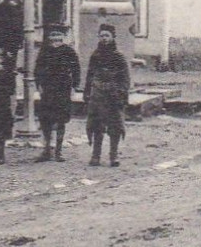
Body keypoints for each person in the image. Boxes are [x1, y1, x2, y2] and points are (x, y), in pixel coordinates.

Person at [33, 24, 81, 162]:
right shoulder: (44, 51)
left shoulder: (69, 51)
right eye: (53, 36)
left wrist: (74, 86)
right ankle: (47, 149)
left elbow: (76, 69)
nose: (55, 39)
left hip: (63, 88)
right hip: (48, 89)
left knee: (61, 119)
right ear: (49, 38)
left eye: (58, 36)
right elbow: (38, 69)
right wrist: (39, 85)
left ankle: (58, 151)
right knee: (46, 119)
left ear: (63, 37)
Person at [84, 23, 130, 166]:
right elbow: (90, 75)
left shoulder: (119, 57)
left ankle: (113, 156)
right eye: (102, 35)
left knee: (115, 126)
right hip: (98, 94)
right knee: (96, 125)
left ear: (113, 37)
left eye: (107, 35)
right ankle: (95, 155)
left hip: (113, 94)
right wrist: (87, 92)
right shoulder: (95, 56)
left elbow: (125, 78)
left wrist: (122, 94)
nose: (104, 38)